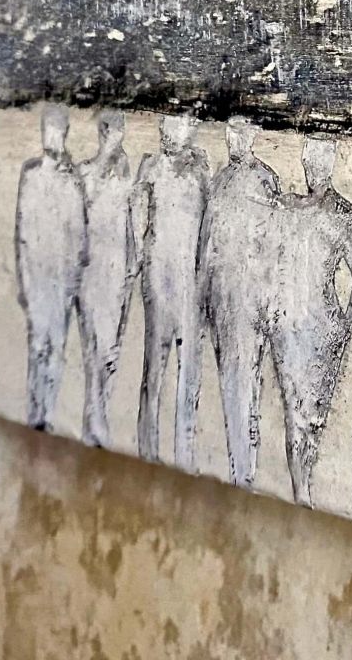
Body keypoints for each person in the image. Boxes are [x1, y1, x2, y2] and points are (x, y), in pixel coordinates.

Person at [269, 138, 352, 505]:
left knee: (314, 415)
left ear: (330, 164)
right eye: (309, 161)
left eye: (319, 162)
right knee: (294, 412)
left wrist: (347, 321)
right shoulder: (289, 208)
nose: (312, 169)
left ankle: (306, 487)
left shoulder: (342, 214)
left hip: (322, 326)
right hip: (288, 324)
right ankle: (300, 492)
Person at [198, 117, 281, 488]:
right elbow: (207, 246)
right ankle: (238, 469)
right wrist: (204, 297)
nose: (235, 139)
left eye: (242, 133)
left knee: (246, 386)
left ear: (253, 136)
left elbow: (273, 248)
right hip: (222, 302)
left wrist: (267, 301)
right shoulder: (218, 182)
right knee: (231, 386)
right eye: (230, 132)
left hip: (249, 303)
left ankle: (246, 473)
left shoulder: (264, 181)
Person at [134, 113, 210, 470]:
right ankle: (146, 449)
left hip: (188, 283)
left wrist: (203, 279)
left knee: (187, 373)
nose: (170, 131)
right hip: (159, 277)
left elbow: (207, 230)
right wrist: (141, 259)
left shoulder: (200, 171)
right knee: (154, 366)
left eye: (179, 125)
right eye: (167, 125)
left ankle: (184, 455)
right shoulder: (151, 167)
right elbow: (137, 216)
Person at [15, 102, 88, 431]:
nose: (51, 136)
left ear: (64, 133)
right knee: (38, 345)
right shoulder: (31, 175)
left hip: (60, 280)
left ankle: (46, 414)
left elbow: (79, 237)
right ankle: (35, 413)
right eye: (47, 130)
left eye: (56, 131)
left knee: (55, 348)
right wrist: (25, 281)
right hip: (38, 275)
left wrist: (71, 283)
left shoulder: (72, 181)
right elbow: (22, 232)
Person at [76, 109, 136, 447]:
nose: (120, 136)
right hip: (93, 270)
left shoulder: (124, 171)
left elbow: (127, 220)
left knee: (111, 350)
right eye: (115, 130)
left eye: (122, 130)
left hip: (116, 269)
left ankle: (100, 420)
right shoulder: (86, 172)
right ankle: (93, 422)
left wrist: (132, 261)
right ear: (104, 132)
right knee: (93, 348)